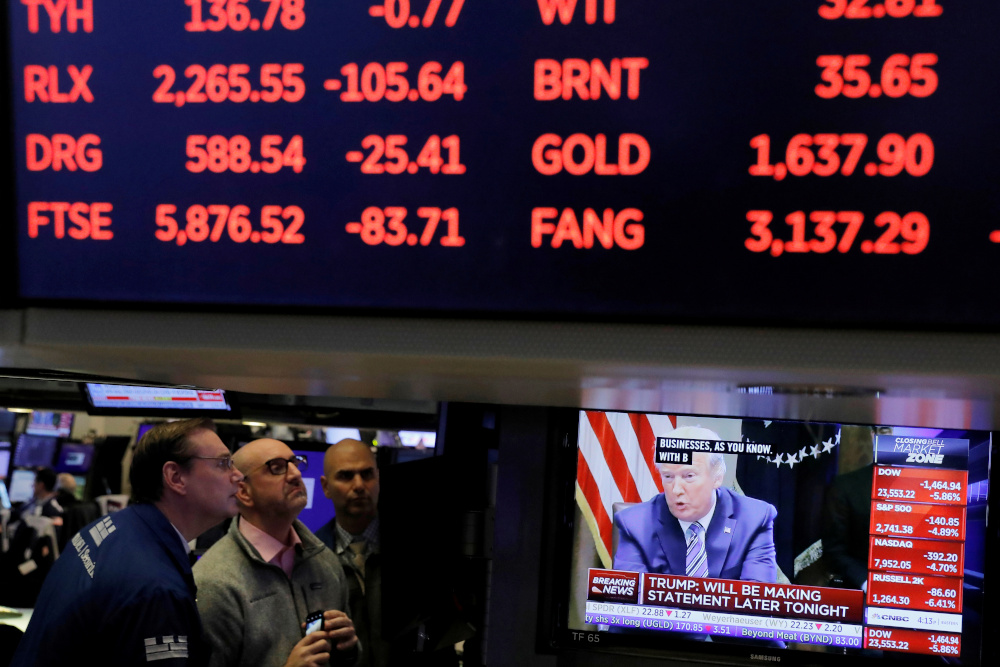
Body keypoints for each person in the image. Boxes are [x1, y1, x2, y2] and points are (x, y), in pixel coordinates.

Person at [10, 418, 243, 667]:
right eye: (223, 463)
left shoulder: (108, 528)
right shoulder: (157, 589)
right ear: (175, 477)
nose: (237, 475)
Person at [193, 438, 359, 667]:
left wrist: (348, 649)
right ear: (243, 491)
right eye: (277, 467)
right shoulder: (214, 583)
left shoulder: (325, 561)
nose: (295, 474)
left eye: (295, 463)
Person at [613, 428, 778, 582]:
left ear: (717, 477)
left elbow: (756, 600)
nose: (676, 489)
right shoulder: (635, 524)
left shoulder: (755, 518)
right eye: (668, 476)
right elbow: (630, 600)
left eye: (689, 476)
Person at [315, 439, 387, 667]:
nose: (359, 485)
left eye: (367, 474)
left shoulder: (416, 547)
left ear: (379, 478)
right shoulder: (311, 557)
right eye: (346, 476)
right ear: (326, 487)